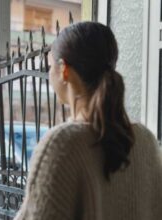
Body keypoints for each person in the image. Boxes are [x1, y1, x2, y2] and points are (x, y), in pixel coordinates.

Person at [15, 22, 162, 220]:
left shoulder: (61, 144)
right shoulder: (147, 142)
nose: (48, 73)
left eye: (50, 66)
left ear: (64, 70)